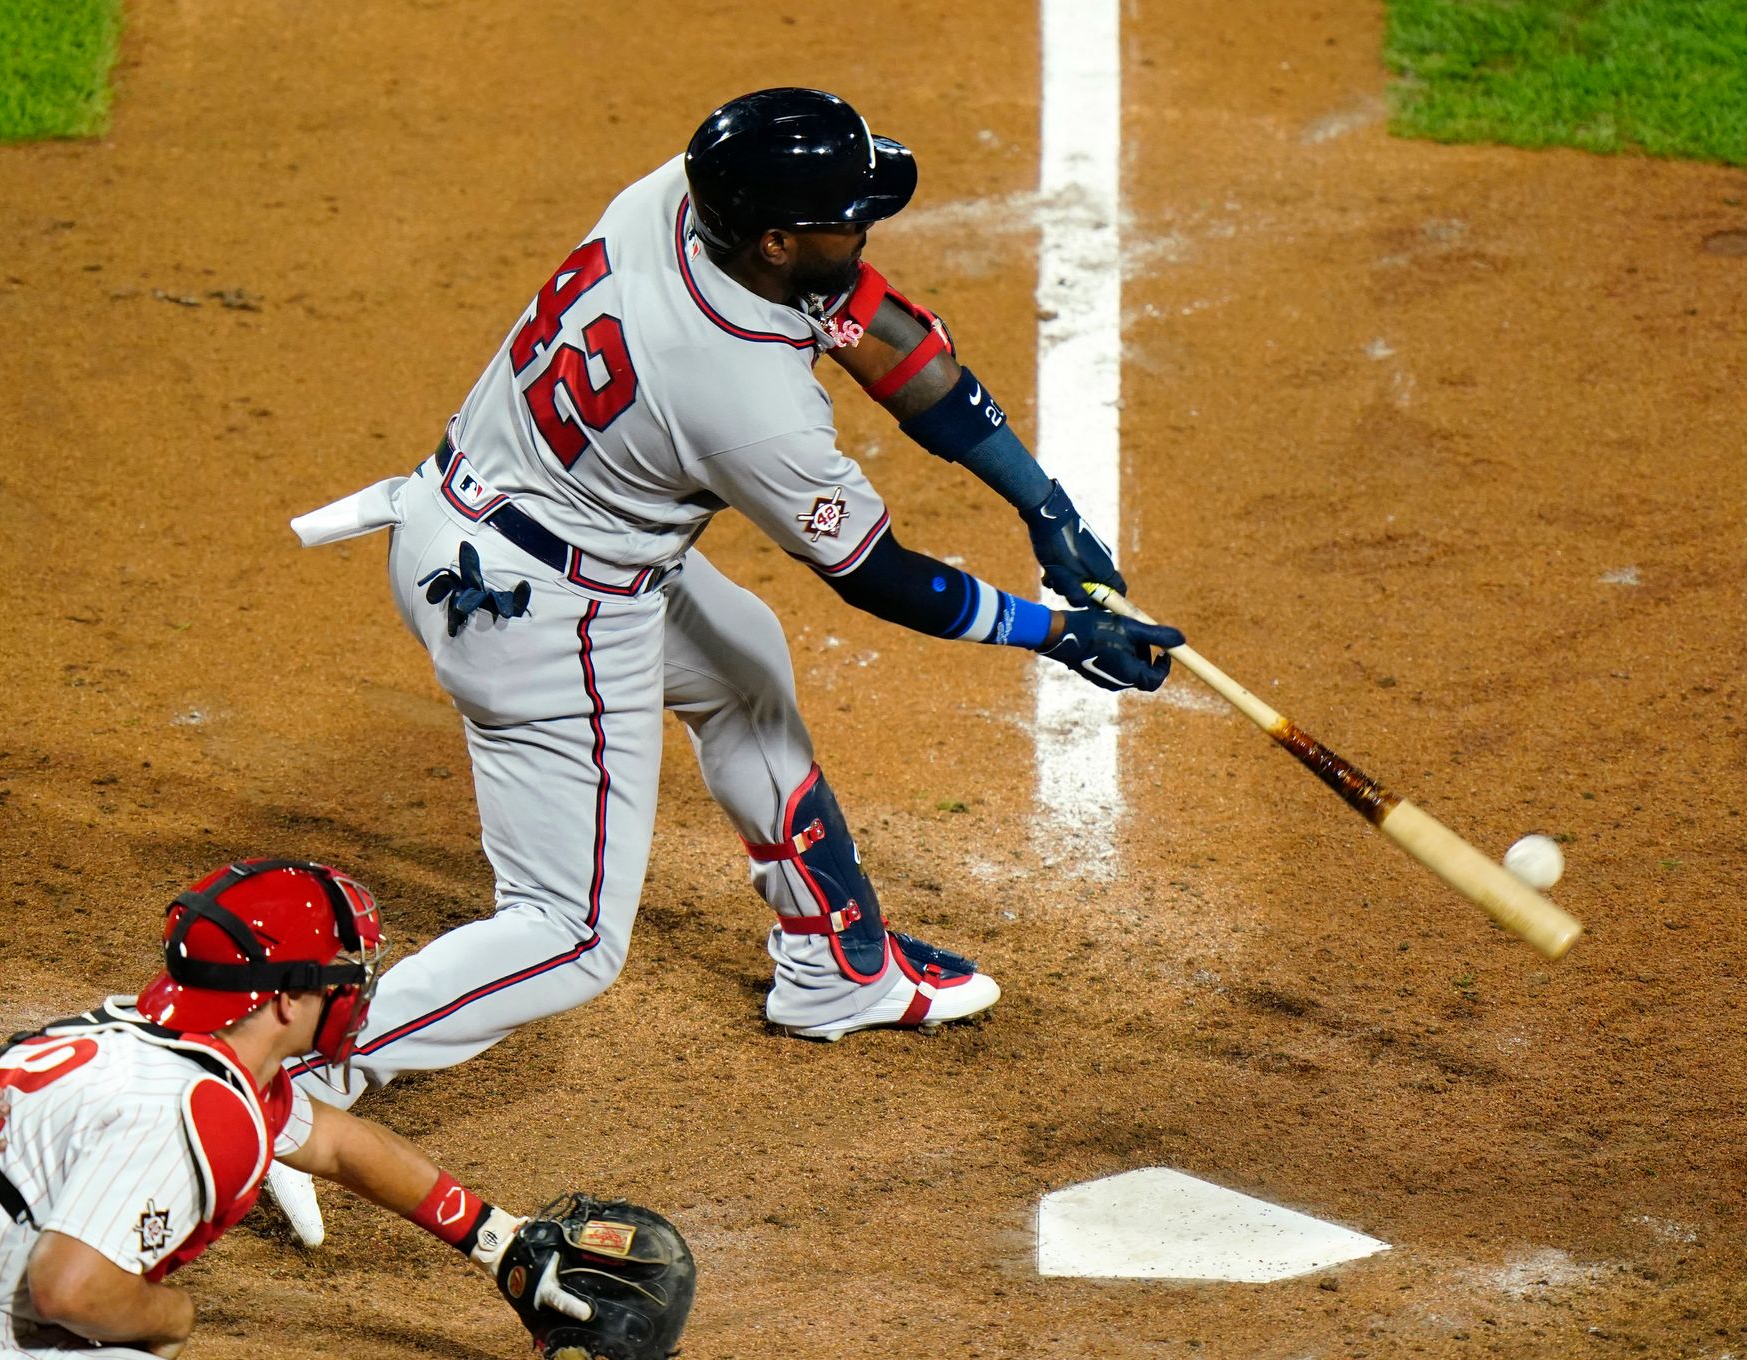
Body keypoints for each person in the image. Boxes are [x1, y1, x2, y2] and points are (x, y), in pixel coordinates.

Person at [276, 86, 1183, 1243]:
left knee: (743, 664)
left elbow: (872, 324)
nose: (863, 231)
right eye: (844, 216)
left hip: (495, 512)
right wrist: (1060, 633)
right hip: (537, 610)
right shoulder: (743, 397)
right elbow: (879, 578)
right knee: (565, 935)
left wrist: (1041, 502)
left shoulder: (682, 198)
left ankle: (832, 966)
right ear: (774, 238)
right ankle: (296, 1089)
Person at [0, 859, 598, 1358]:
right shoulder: (194, 1108)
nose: (353, 990)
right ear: (289, 1000)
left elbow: (337, 1144)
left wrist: (494, 1239)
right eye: (340, 974)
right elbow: (71, 1290)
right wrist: (174, 1316)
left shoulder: (155, 1035)